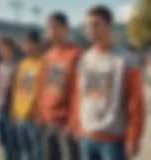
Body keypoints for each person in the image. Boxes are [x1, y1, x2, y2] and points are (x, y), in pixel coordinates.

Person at [68, 6, 145, 160]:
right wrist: (75, 122)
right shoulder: (84, 59)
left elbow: (135, 102)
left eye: (96, 24)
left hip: (113, 140)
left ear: (109, 26)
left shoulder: (125, 59)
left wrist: (133, 137)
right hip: (87, 136)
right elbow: (78, 94)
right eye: (88, 25)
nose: (91, 29)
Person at [35, 12, 82, 160]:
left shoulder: (76, 54)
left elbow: (79, 91)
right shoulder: (48, 56)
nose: (50, 32)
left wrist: (73, 121)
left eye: (55, 27)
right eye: (48, 28)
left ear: (65, 29)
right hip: (47, 121)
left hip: (66, 124)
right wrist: (39, 113)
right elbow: (43, 87)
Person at [11, 31, 43, 160]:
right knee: (26, 152)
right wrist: (14, 111)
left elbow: (44, 92)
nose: (27, 47)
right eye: (25, 44)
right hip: (21, 116)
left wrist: (40, 114)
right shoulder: (23, 64)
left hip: (34, 118)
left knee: (37, 153)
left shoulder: (43, 63)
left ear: (37, 45)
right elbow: (17, 89)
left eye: (30, 44)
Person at [0, 37, 17, 160]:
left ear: (11, 50)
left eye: (4, 49)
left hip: (9, 111)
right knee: (1, 140)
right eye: (0, 49)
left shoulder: (16, 67)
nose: (2, 52)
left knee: (12, 144)